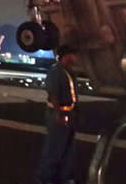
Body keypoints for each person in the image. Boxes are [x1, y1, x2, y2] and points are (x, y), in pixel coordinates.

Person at [36, 45, 79, 184]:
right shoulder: (55, 72)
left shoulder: (69, 71)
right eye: (74, 54)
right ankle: (44, 178)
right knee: (54, 147)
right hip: (59, 113)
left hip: (69, 112)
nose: (76, 58)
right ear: (66, 55)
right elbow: (53, 94)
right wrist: (58, 113)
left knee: (67, 148)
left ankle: (62, 177)